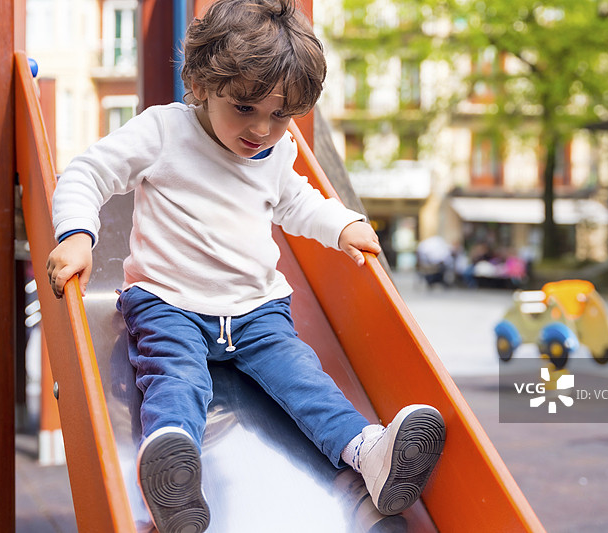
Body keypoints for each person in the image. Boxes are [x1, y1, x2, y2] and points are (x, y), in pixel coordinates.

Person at [45, 1, 445, 531]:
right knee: (175, 379)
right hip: (169, 302)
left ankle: (368, 452)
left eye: (280, 116)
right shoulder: (164, 132)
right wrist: (76, 235)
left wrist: (341, 224)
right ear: (203, 83)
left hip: (256, 310)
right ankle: (172, 474)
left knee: (306, 380)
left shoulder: (274, 152)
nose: (261, 129)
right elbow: (87, 173)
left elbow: (297, 202)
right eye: (245, 108)